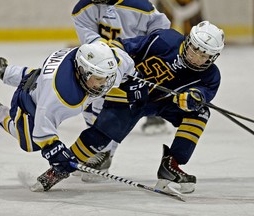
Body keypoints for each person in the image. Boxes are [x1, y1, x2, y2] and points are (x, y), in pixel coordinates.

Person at [69, 21, 225, 193]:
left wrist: (193, 99)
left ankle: (171, 166)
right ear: (188, 42)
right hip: (130, 94)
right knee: (100, 137)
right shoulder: (165, 40)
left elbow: (201, 94)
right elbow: (125, 46)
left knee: (200, 112)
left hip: (163, 103)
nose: (196, 58)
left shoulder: (211, 76)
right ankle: (63, 163)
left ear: (213, 57)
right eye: (194, 50)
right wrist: (113, 51)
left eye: (204, 56)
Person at [0, 41, 136, 191]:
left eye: (107, 77)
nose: (104, 84)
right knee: (29, 142)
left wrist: (136, 78)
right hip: (30, 102)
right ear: (83, 71)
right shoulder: (59, 94)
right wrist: (55, 151)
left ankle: (4, 70)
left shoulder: (109, 62)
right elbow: (42, 131)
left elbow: (126, 64)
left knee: (38, 77)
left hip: (44, 78)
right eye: (99, 78)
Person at [71, 0, 171, 180]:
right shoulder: (82, 9)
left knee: (116, 109)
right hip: (103, 65)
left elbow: (162, 33)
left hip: (135, 67)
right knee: (89, 105)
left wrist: (147, 58)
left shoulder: (140, 6)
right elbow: (92, 43)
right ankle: (100, 151)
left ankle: (103, 153)